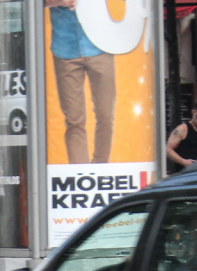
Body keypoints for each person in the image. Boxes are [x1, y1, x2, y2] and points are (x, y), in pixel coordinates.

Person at [46, 0, 115, 164]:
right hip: (65, 47)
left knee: (106, 113)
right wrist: (57, 1)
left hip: (100, 44)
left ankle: (101, 166)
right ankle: (79, 172)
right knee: (73, 119)